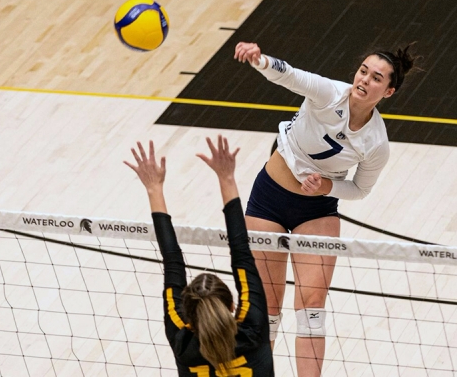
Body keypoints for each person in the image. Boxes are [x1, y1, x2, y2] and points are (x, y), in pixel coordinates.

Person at [234, 42, 418, 376]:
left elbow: (361, 189)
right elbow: (289, 75)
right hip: (268, 199)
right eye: (363, 70)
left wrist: (326, 187)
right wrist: (260, 60)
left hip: (316, 211)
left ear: (388, 91)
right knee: (266, 310)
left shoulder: (376, 142)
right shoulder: (329, 94)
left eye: (376, 78)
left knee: (311, 310)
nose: (364, 79)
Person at [124, 136, 274, 376]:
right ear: (232, 305)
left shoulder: (183, 342)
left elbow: (172, 261)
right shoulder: (251, 328)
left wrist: (154, 188)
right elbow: (241, 253)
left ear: (190, 315)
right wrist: (227, 178)